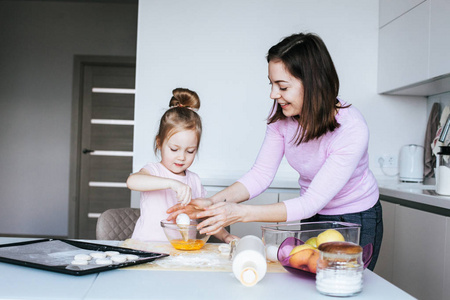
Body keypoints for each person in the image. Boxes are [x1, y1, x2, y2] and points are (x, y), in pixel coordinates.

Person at [168, 33, 383, 270]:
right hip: (312, 215)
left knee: (343, 286)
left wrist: (239, 213)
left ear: (313, 84)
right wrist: (211, 202)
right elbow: (260, 174)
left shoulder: (351, 128)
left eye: (282, 86)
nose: (273, 94)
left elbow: (310, 201)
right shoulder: (283, 118)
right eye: (271, 84)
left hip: (354, 218)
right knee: (309, 283)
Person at [128, 88, 236, 243]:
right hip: (148, 248)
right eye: (174, 149)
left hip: (183, 251)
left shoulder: (194, 180)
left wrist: (225, 236)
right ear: (159, 143)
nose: (182, 157)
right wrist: (172, 183)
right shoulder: (154, 171)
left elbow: (204, 216)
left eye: (190, 151)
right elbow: (132, 181)